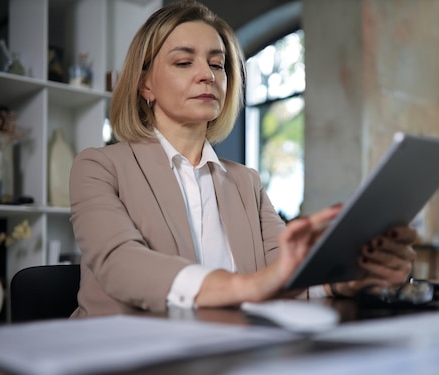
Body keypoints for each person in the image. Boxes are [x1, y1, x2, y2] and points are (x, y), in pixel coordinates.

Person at [68, 0, 417, 318]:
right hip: (121, 365)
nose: (207, 74)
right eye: (184, 62)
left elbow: (282, 269)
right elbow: (121, 264)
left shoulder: (245, 181)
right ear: (146, 85)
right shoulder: (99, 167)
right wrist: (248, 286)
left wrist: (342, 280)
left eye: (217, 64)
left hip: (221, 353)